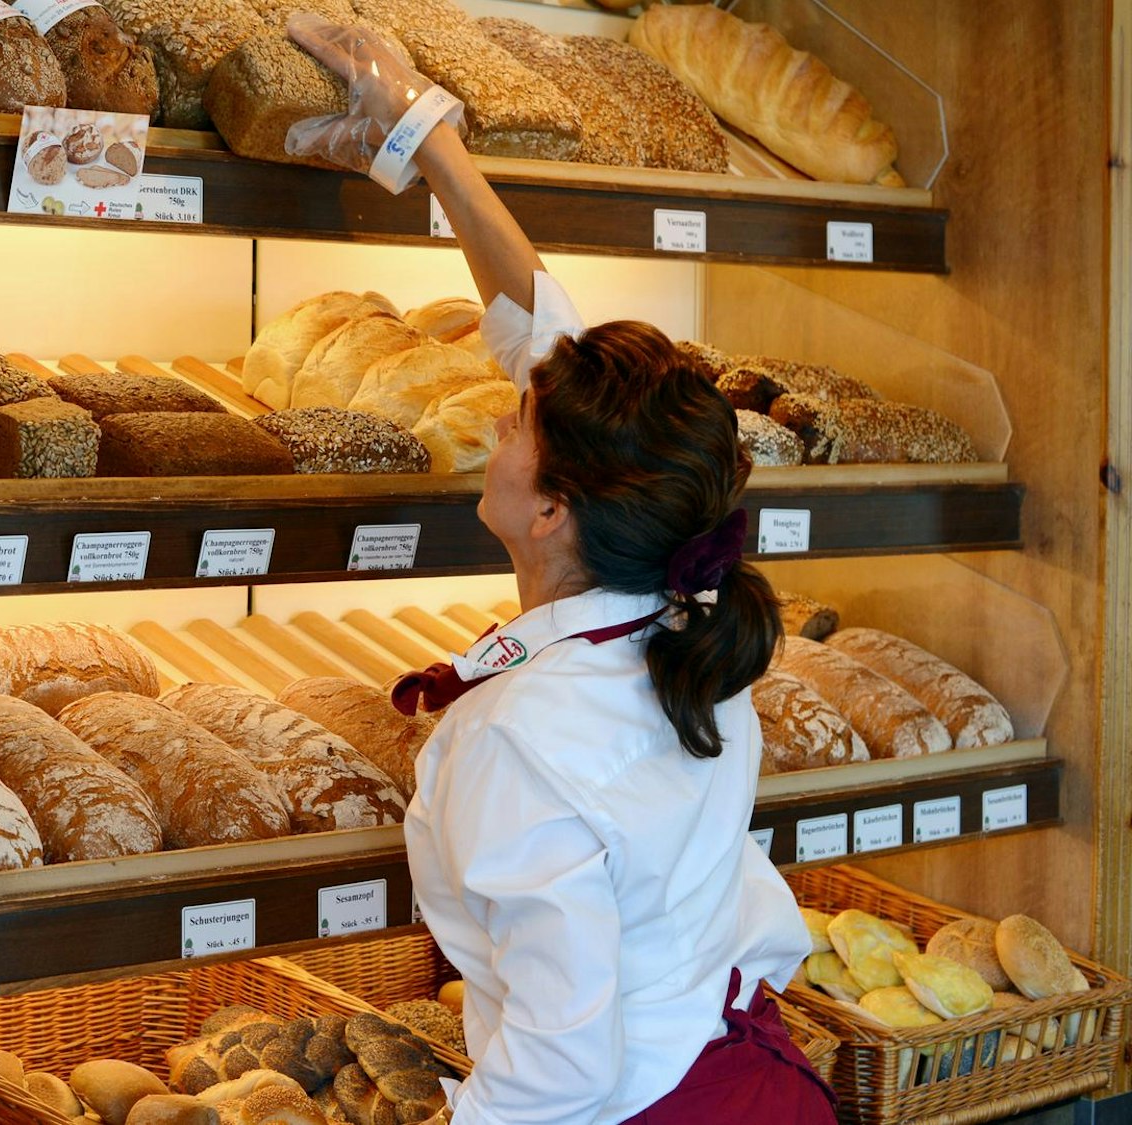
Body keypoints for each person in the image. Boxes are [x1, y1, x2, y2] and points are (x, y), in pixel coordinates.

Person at [282, 15, 835, 1125]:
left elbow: (561, 1074)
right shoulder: (681, 628)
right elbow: (540, 335)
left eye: (513, 425)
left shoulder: (518, 741)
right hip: (750, 1082)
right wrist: (424, 131)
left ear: (551, 508)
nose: (495, 415)